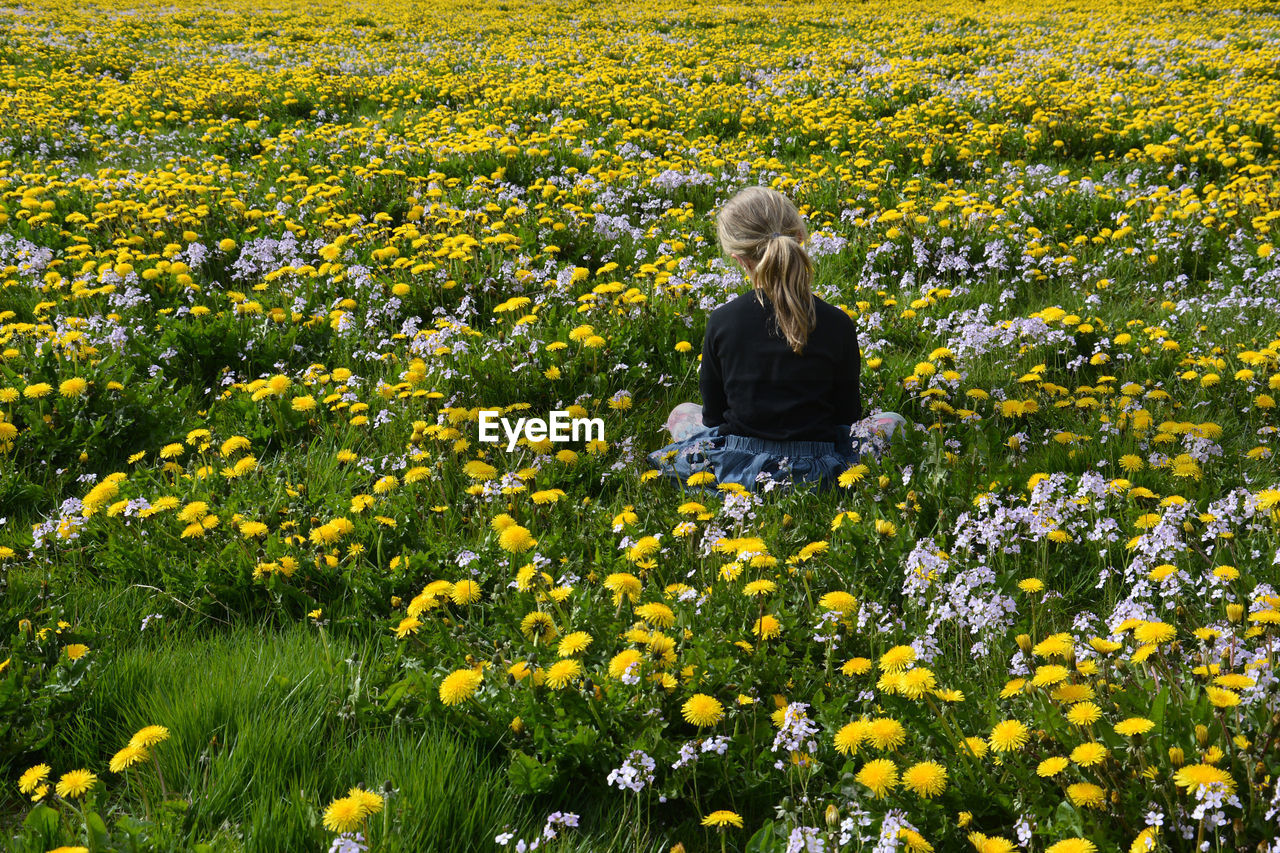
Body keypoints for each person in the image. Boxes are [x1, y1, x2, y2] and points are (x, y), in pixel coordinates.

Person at [647, 186, 907, 492]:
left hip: (738, 468)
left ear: (739, 259)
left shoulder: (723, 320)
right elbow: (847, 416)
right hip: (818, 470)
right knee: (894, 422)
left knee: (681, 414)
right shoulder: (838, 322)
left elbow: (713, 416)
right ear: (799, 237)